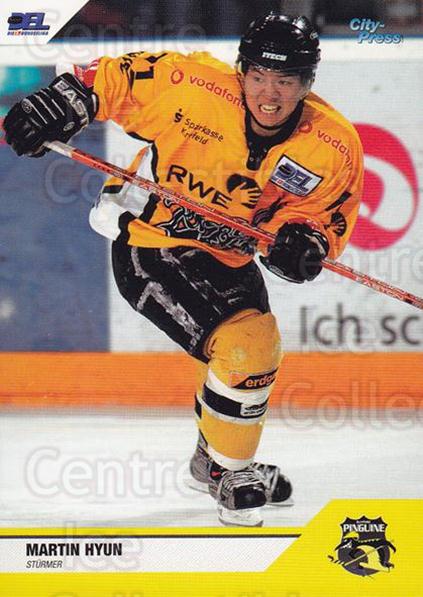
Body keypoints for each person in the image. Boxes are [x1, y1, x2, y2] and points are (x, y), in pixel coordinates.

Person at [3, 13, 363, 527]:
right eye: (259, 76)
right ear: (241, 71)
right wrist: (62, 102)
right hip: (150, 240)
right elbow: (110, 79)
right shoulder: (191, 84)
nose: (270, 94)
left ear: (307, 83)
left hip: (227, 256)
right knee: (250, 345)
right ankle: (230, 472)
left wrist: (307, 242)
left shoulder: (334, 145)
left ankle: (211, 459)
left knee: (237, 355)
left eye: (286, 81)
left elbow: (324, 219)